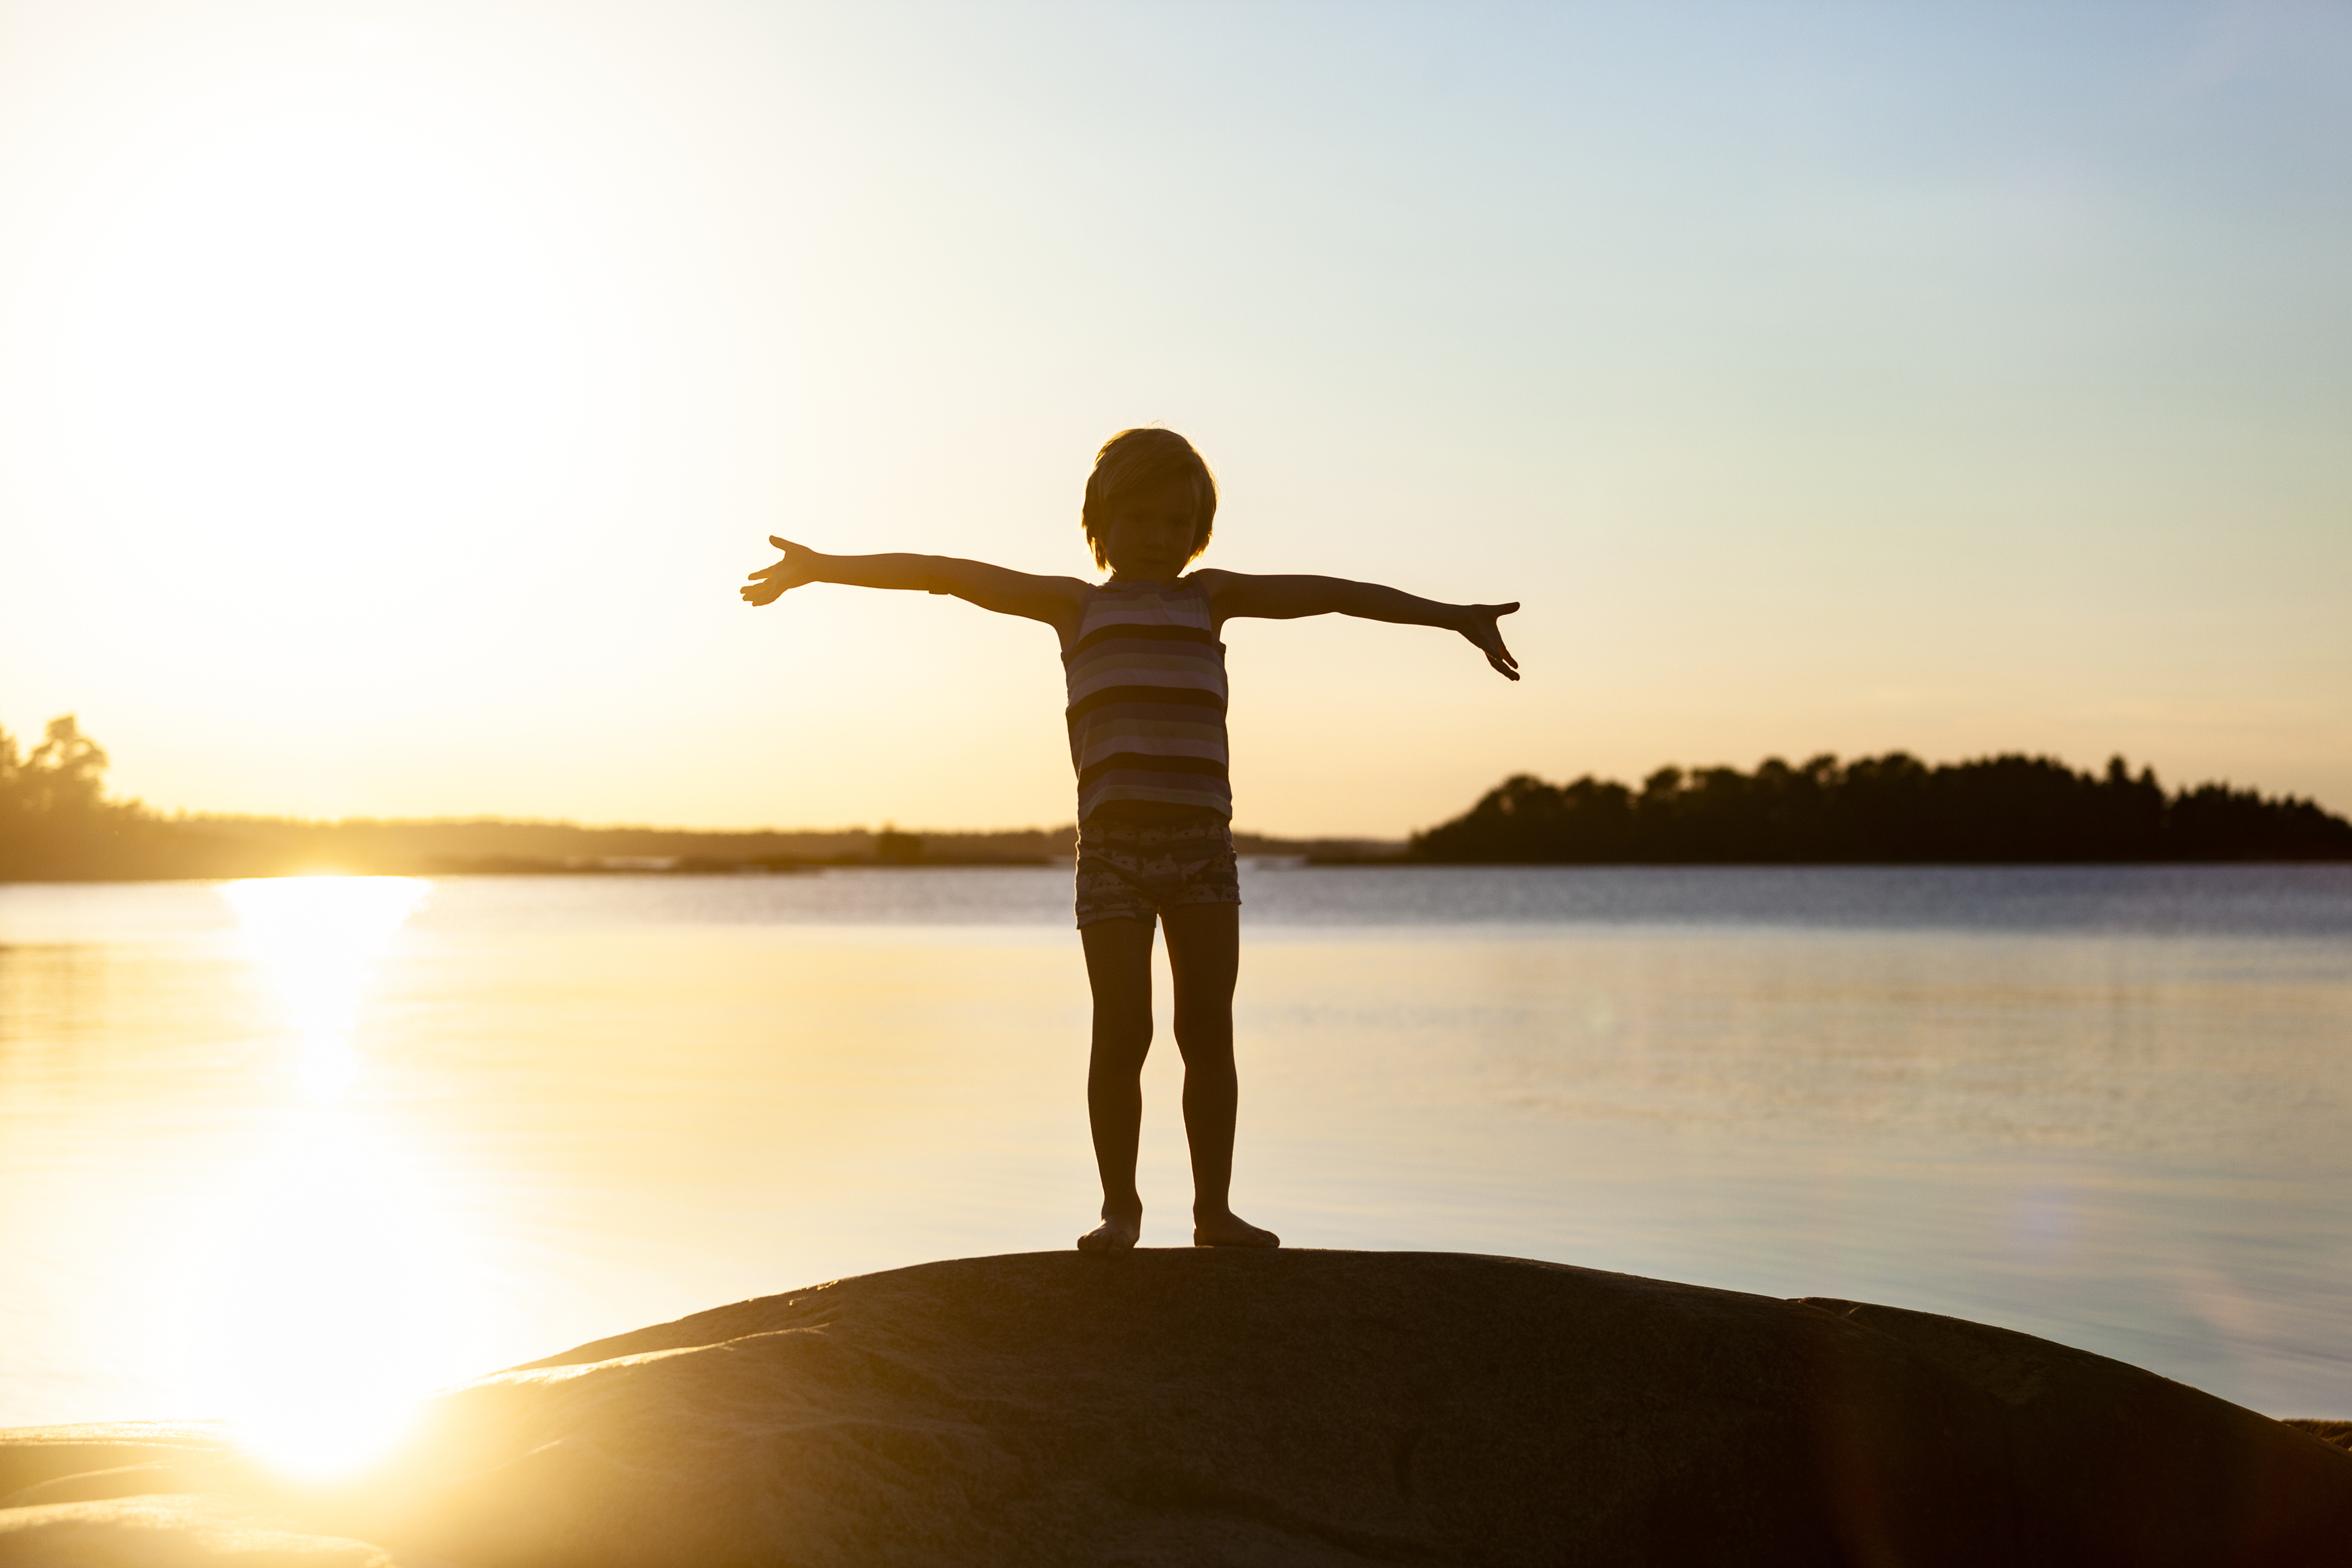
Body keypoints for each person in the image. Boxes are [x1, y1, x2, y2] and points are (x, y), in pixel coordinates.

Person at [742, 429, 1519, 1251]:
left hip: (1202, 852)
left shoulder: (1210, 598)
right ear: (1099, 526)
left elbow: (1333, 593)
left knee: (1206, 1033)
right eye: (1139, 518)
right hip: (1113, 852)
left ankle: (1213, 1213)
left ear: (1199, 532)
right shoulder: (1074, 606)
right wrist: (825, 567)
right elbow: (945, 577)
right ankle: (1121, 1209)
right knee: (1122, 1033)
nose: (1158, 535)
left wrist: (1453, 617)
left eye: (1176, 521)